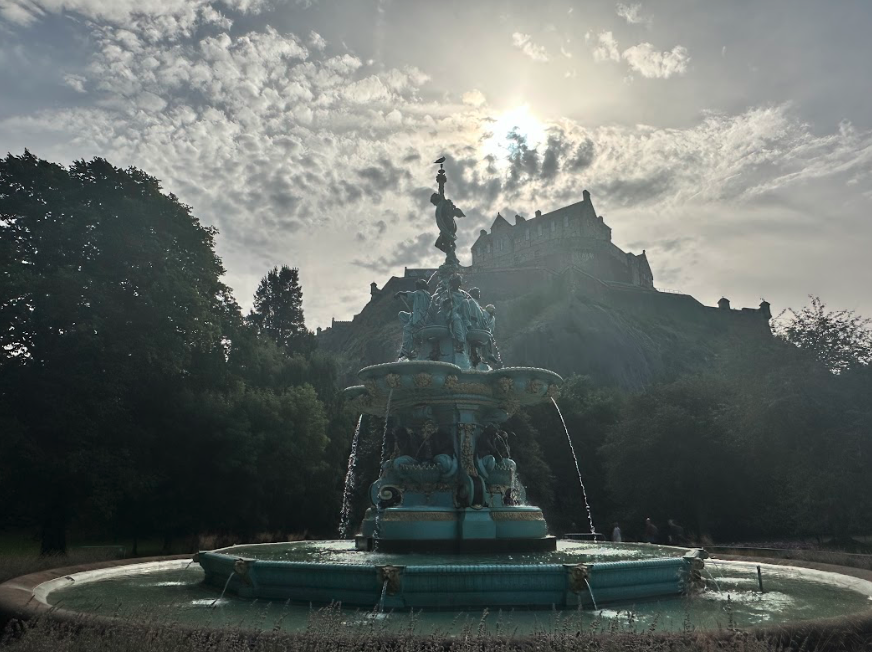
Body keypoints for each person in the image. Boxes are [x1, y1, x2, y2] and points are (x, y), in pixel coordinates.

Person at [395, 278, 431, 359]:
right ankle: (412, 336)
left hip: (420, 319)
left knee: (407, 328)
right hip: (421, 316)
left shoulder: (419, 293)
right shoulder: (428, 295)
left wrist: (401, 293)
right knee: (402, 314)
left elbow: (410, 295)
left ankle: (406, 350)